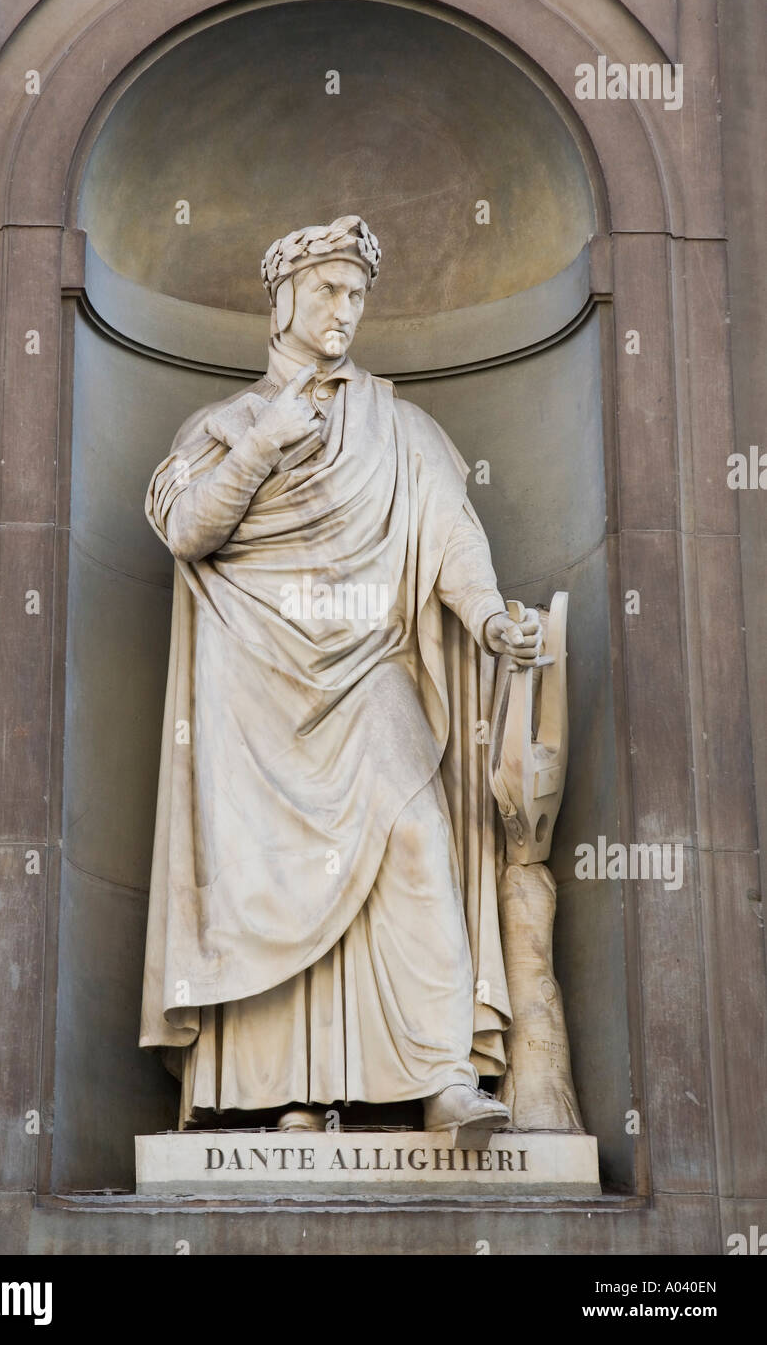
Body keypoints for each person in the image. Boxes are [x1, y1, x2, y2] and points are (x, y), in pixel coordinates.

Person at [140, 215, 542, 1135]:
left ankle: (442, 1077)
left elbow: (450, 539)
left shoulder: (402, 430)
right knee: (269, 873)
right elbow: (188, 529)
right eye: (327, 289)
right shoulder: (222, 425)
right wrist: (262, 444)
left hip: (371, 672)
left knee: (415, 840)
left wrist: (488, 618)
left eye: (357, 294)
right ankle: (285, 1092)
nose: (345, 309)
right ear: (281, 298)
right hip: (254, 692)